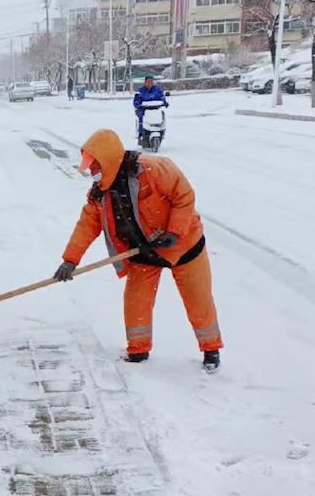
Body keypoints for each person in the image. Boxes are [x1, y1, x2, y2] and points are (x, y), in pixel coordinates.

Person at [52, 128, 222, 372]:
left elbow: (184, 195)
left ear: (109, 160)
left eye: (95, 166)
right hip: (143, 252)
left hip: (185, 246)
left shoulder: (154, 169)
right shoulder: (99, 193)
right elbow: (87, 225)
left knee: (198, 300)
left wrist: (174, 232)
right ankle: (138, 350)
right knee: (136, 302)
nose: (92, 172)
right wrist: (70, 260)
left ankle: (211, 349)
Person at [133, 75, 168, 144]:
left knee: (162, 116)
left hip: (156, 109)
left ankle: (161, 131)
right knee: (141, 117)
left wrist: (165, 102)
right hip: (144, 109)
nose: (149, 84)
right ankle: (141, 134)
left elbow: (162, 97)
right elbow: (136, 99)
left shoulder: (157, 90)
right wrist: (137, 104)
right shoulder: (140, 91)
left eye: (151, 82)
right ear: (145, 82)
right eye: (148, 82)